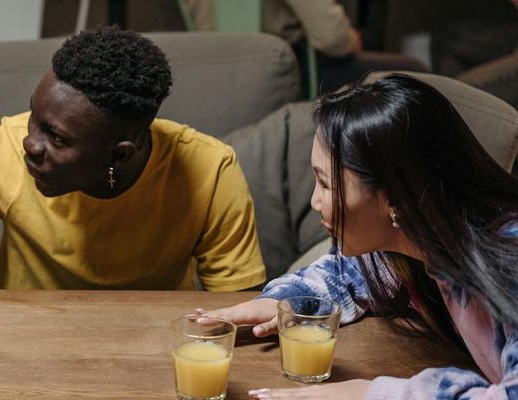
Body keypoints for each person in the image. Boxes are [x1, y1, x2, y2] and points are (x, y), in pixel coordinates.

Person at [0, 26, 267, 336]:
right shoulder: (2, 148)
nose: (30, 144)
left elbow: (242, 313)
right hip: (24, 340)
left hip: (153, 344)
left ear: (119, 153)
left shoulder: (210, 171)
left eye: (57, 138)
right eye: (34, 118)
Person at [198, 75, 518, 399]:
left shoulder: (509, 263)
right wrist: (286, 300)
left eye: (326, 184)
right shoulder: (424, 245)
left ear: (395, 197)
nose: (315, 201)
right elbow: (353, 272)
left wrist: (371, 393)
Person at [186, 0, 428, 95]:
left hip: (214, 77)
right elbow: (332, 38)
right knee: (414, 71)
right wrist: (352, 38)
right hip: (289, 75)